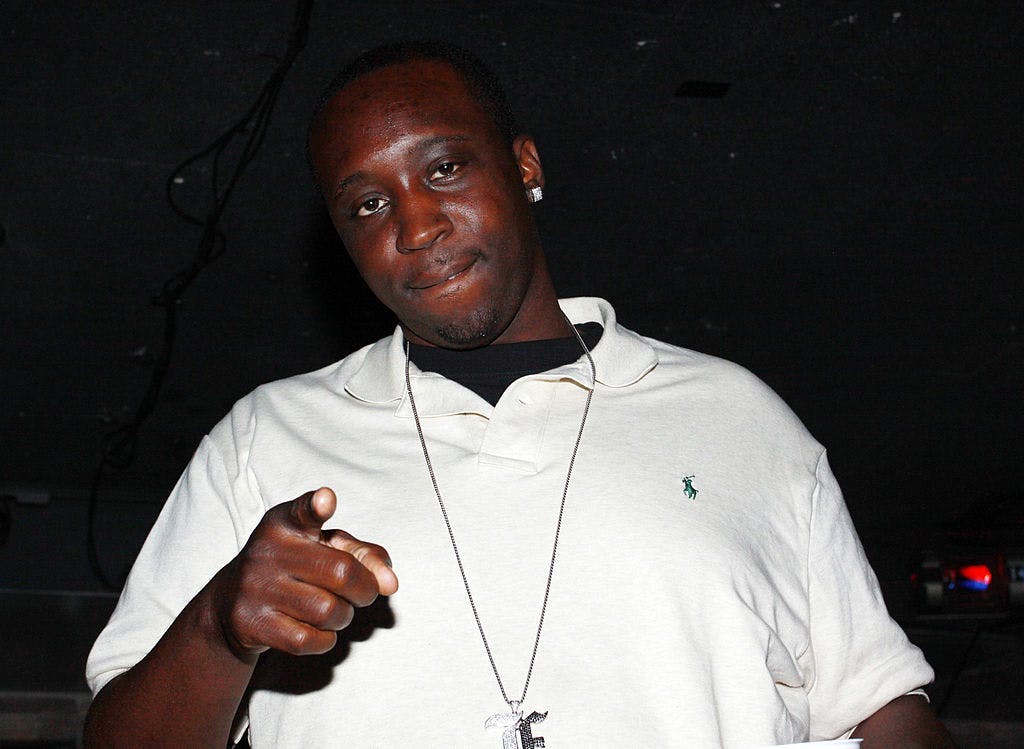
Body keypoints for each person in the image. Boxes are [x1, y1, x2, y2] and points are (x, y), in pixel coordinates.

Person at [84, 41, 954, 748]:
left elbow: (881, 705)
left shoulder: (739, 417)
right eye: (366, 205)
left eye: (447, 168)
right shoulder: (267, 437)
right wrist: (219, 628)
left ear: (525, 164)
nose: (416, 225)